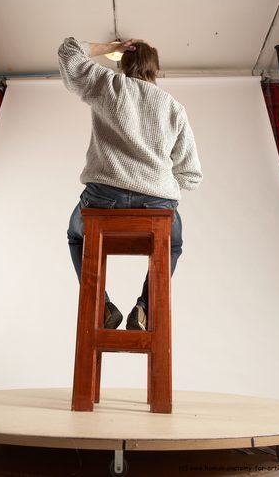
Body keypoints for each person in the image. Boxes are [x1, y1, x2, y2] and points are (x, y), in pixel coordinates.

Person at [58, 37, 203, 331]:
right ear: (156, 71)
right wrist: (157, 181)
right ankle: (144, 308)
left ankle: (102, 306)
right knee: (173, 244)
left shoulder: (107, 85)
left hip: (103, 199)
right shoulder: (174, 108)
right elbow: (191, 175)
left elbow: (69, 50)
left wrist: (107, 48)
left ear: (123, 64)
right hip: (157, 203)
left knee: (77, 237)